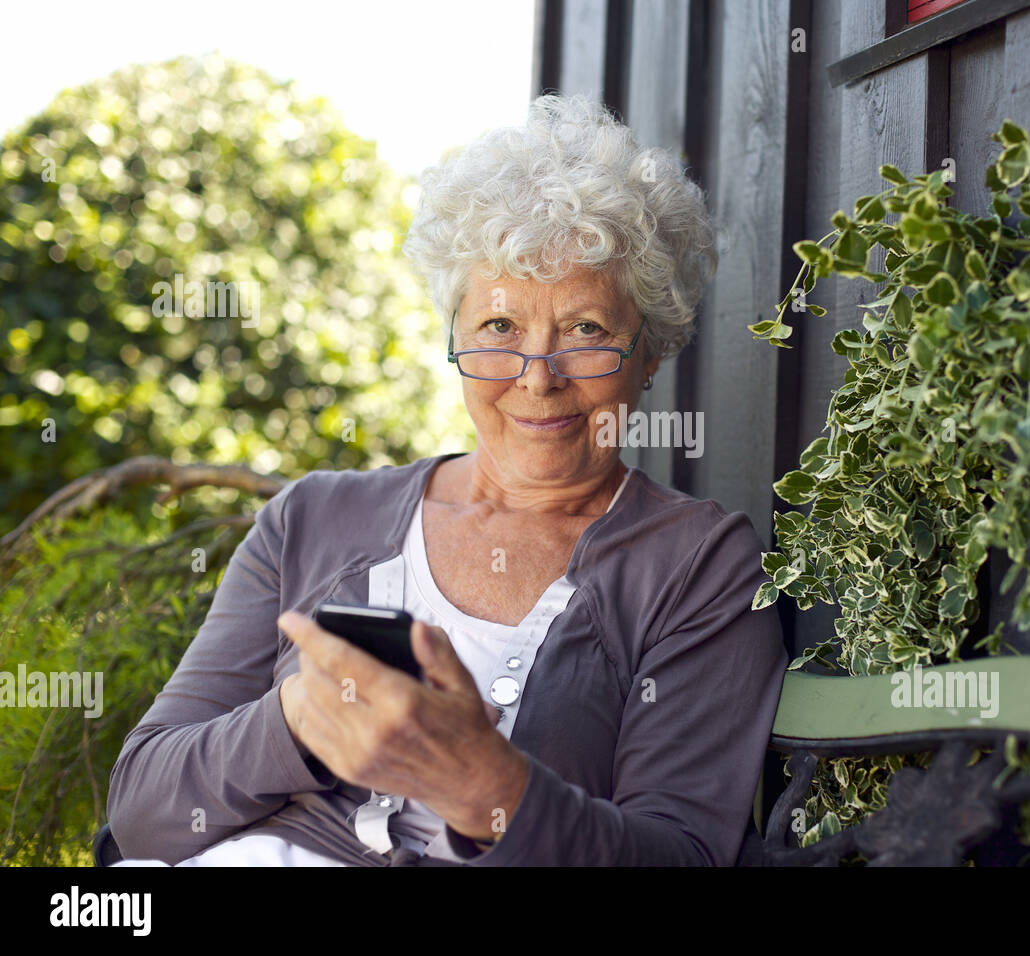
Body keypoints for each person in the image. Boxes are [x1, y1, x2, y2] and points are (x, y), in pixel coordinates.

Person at [106, 93, 788, 866]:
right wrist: (296, 719)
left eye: (586, 331)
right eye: (500, 328)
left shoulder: (699, 567)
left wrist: (487, 789)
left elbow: (683, 856)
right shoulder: (311, 518)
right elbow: (142, 812)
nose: (538, 378)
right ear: (454, 337)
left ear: (651, 350)